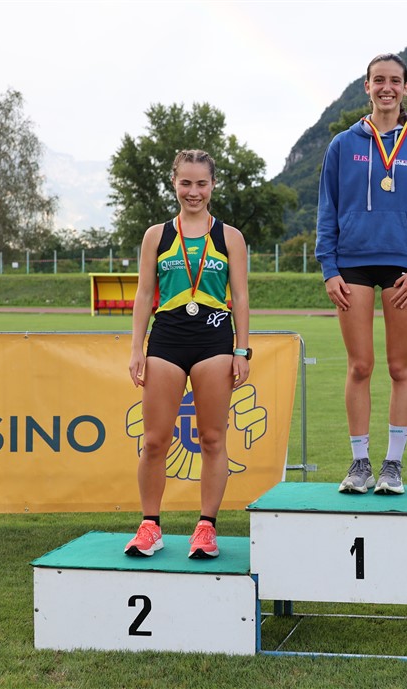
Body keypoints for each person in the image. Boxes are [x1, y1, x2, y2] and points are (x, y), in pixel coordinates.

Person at [316, 53, 407, 496]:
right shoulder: (341, 144)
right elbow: (327, 209)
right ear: (367, 87)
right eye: (378, 80)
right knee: (359, 366)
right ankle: (359, 464)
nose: (386, 87)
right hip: (351, 262)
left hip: (404, 267)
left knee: (399, 366)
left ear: (406, 88)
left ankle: (393, 464)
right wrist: (329, 268)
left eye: (394, 80)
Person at [124, 149, 251, 559]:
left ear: (213, 185)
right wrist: (137, 348)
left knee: (212, 438)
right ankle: (150, 526)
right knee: (155, 441)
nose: (193, 192)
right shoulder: (156, 235)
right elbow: (144, 294)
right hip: (167, 339)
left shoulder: (230, 237)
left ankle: (206, 527)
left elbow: (241, 297)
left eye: (201, 183)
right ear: (174, 183)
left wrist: (242, 350)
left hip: (214, 339)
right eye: (185, 183)